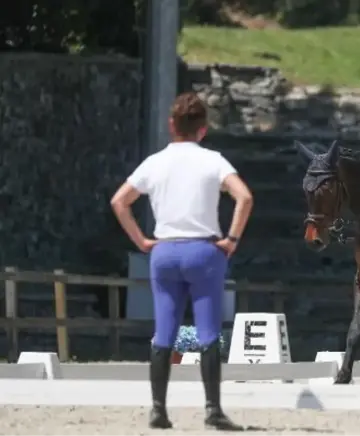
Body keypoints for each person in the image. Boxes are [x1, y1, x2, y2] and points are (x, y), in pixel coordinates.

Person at [110, 92, 253, 430]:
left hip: (165, 251)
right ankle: (213, 409)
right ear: (203, 129)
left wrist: (142, 240)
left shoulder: (154, 163)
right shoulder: (214, 161)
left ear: (171, 124)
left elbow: (120, 201)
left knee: (165, 331)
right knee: (207, 332)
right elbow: (244, 197)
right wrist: (231, 239)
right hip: (204, 252)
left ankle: (159, 409)